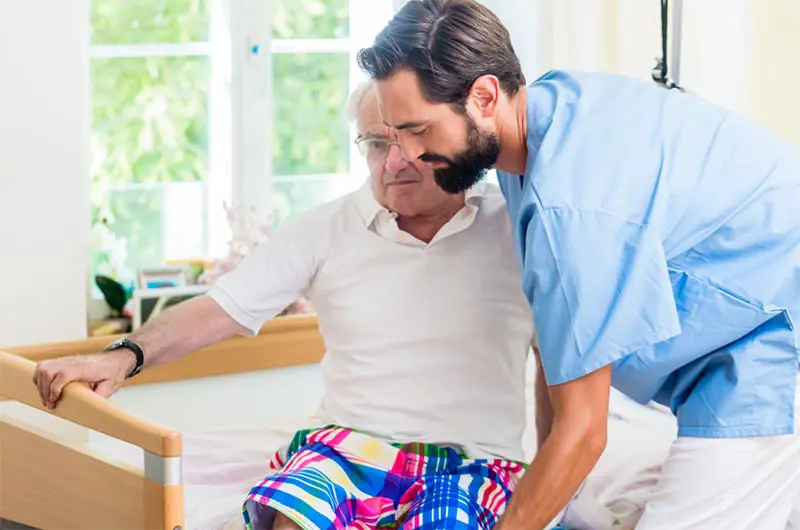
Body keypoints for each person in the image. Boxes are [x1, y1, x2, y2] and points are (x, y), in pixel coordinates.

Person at [356, 0, 800, 528]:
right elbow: (557, 347)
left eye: (419, 130)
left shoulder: (571, 208)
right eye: (393, 133)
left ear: (484, 96)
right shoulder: (539, 123)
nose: (405, 154)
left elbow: (586, 430)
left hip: (770, 342)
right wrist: (557, 502)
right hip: (730, 340)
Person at [33, 81, 539, 530]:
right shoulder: (326, 228)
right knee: (294, 511)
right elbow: (215, 310)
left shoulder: (514, 224)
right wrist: (123, 356)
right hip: (346, 449)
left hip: (474, 462)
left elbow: (562, 363)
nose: (394, 160)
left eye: (410, 140)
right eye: (376, 143)